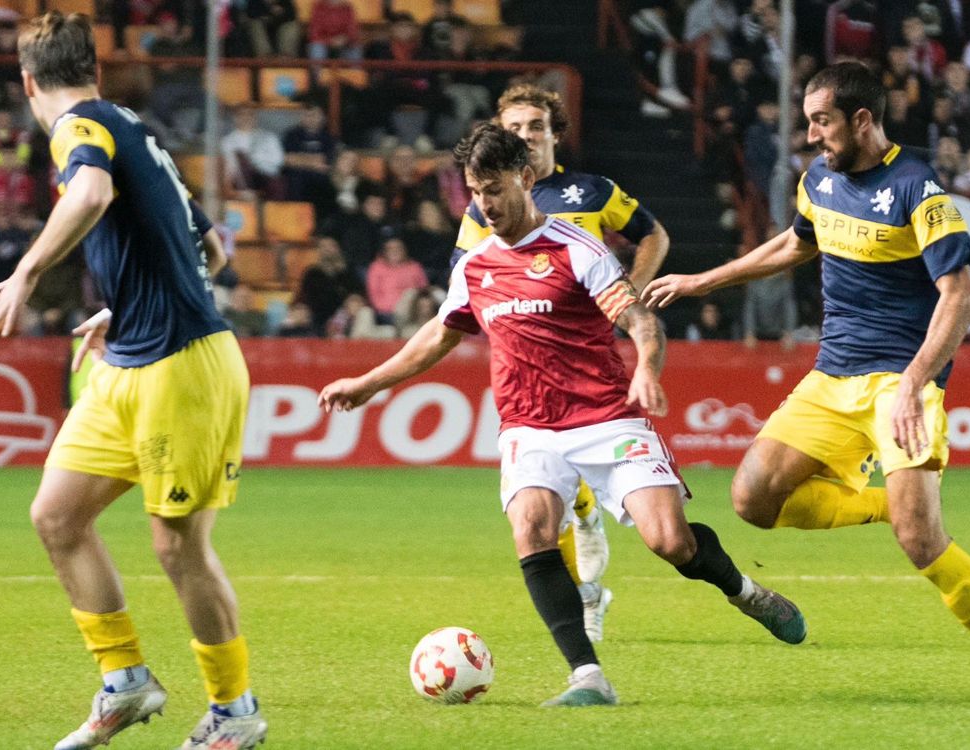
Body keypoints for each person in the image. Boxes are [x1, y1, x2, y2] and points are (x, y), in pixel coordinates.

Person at [320, 123, 806, 706]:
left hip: (607, 415)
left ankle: (745, 591)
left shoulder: (578, 248)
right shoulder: (475, 267)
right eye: (476, 192)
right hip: (530, 426)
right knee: (532, 529)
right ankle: (588, 676)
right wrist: (369, 384)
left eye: (495, 189)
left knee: (669, 540)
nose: (486, 204)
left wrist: (646, 369)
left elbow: (640, 320)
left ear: (526, 179)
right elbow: (437, 335)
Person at [642, 62, 970, 705]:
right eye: (808, 121)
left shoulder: (919, 189)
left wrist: (916, 382)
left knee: (921, 542)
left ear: (862, 119)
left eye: (822, 121)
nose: (811, 135)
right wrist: (701, 281)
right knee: (753, 499)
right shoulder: (820, 180)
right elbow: (796, 245)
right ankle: (889, 503)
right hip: (831, 375)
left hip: (900, 381)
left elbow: (960, 298)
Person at [0, 12, 267, 748]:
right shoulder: (128, 126)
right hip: (129, 355)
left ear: (27, 81)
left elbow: (91, 197)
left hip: (183, 363)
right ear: (94, 69)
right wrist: (125, 303)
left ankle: (235, 714)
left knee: (178, 546)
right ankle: (125, 683)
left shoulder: (78, 127)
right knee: (58, 516)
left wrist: (24, 273)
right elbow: (212, 251)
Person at [453, 83, 672, 643]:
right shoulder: (488, 203)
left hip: (592, 348)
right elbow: (465, 280)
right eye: (513, 128)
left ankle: (592, 559)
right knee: (544, 502)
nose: (524, 135)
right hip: (530, 356)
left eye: (533, 126)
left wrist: (629, 292)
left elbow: (651, 235)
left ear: (553, 134)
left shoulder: (593, 190)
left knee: (590, 494)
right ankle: (589, 596)